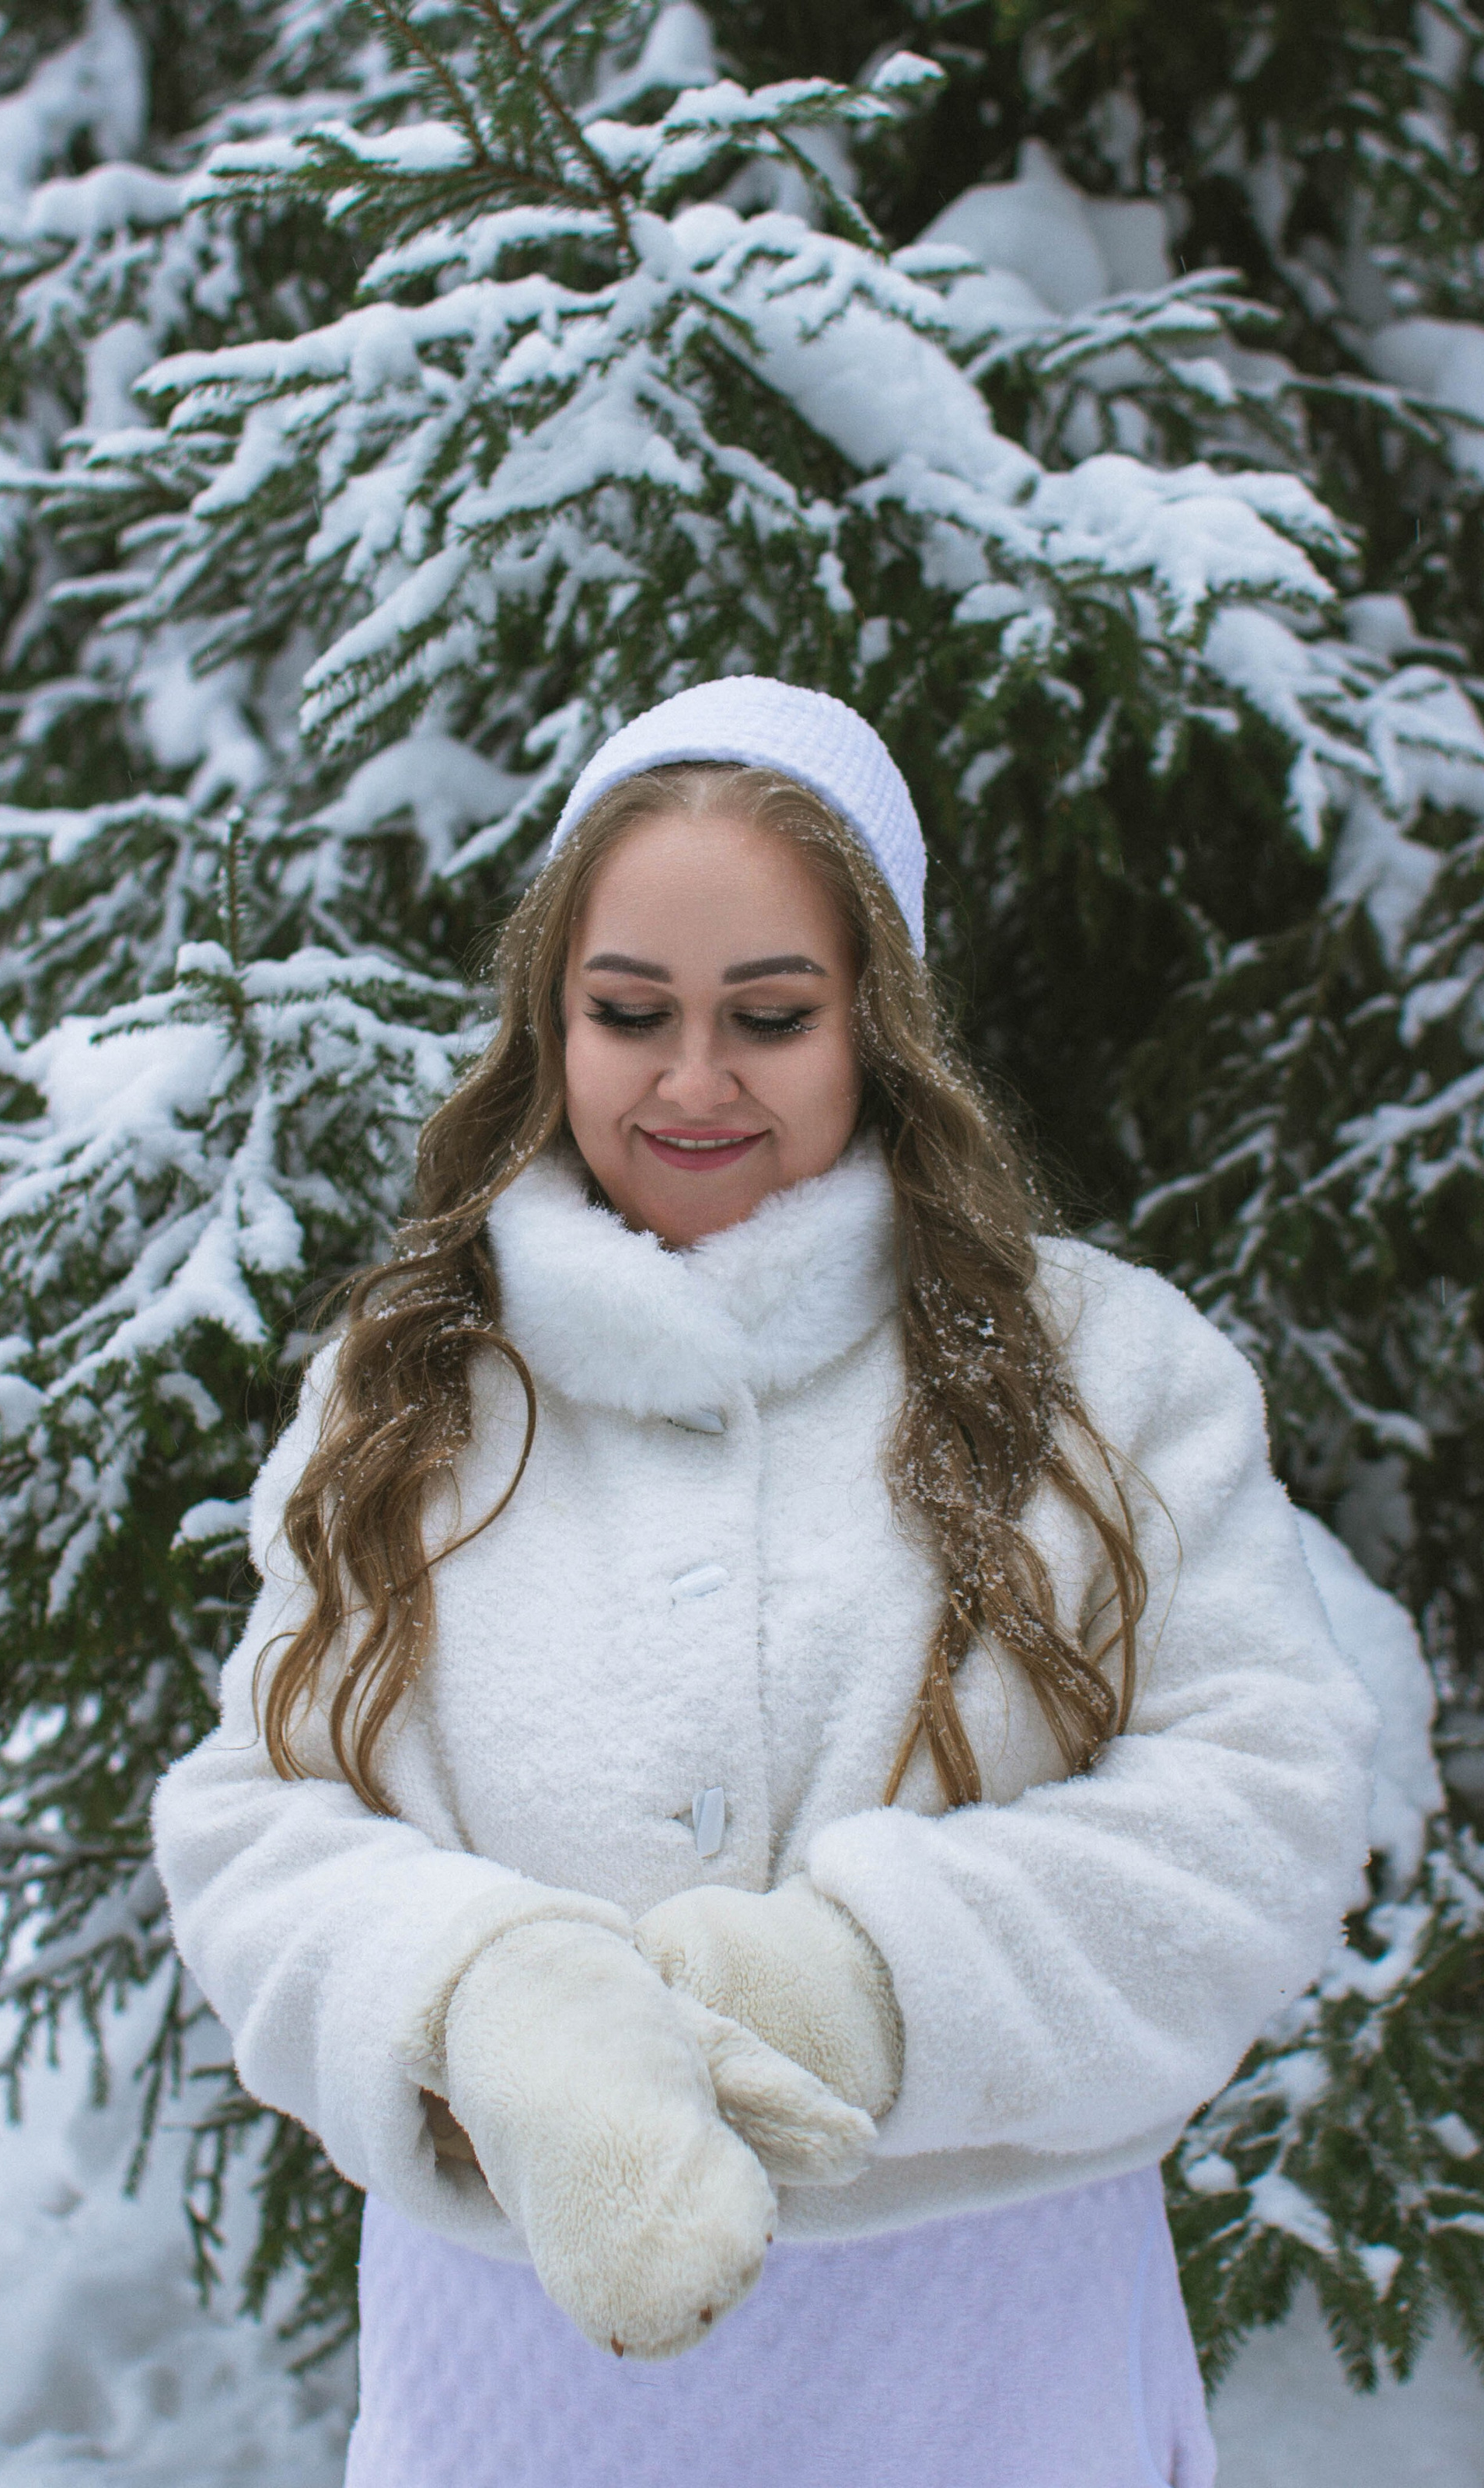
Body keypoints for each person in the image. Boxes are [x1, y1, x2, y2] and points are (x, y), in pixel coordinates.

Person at [152, 676, 1377, 2488]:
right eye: (627, 1011)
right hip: (525, 2377)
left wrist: (849, 1987)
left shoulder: (1104, 1372)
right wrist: (485, 2003)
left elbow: (1259, 1803)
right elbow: (256, 1814)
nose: (692, 1080)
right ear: (546, 1019)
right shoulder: (405, 1384)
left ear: (875, 1022)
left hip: (976, 2364)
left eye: (771, 1017)